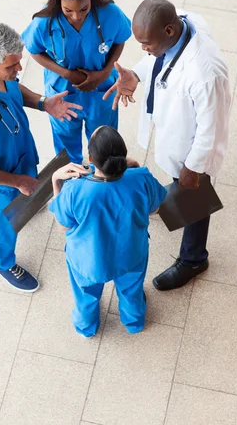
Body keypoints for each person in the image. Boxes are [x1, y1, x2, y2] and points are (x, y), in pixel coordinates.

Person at [103, 0, 231, 291]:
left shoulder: (204, 72)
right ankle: (175, 203)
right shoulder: (179, 24)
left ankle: (194, 259)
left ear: (170, 31)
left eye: (147, 43)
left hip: (193, 149)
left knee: (195, 195)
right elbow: (158, 59)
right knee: (181, 186)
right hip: (175, 131)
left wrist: (193, 167)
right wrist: (136, 74)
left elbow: (211, 128)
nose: (144, 49)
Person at [0, 24, 82, 292]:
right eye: (11, 66)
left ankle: (23, 201)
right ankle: (1, 262)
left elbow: (13, 87)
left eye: (18, 62)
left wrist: (42, 102)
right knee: (1, 226)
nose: (19, 70)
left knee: (25, 192)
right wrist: (15, 182)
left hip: (17, 155)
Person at [49, 126, 166, 337]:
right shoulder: (141, 178)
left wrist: (56, 180)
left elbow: (63, 225)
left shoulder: (74, 190)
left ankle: (86, 327)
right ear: (123, 154)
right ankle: (134, 323)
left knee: (86, 296)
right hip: (131, 254)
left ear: (90, 159)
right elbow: (155, 209)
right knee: (132, 292)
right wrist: (136, 167)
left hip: (88, 261)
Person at [21, 0, 131, 164]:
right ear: (59, 1)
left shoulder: (110, 14)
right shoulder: (44, 23)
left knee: (104, 145)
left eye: (84, 9)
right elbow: (34, 50)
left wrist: (105, 73)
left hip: (101, 92)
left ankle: (102, 178)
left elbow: (120, 39)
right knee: (65, 148)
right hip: (62, 93)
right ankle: (72, 180)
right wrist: (66, 73)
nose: (76, 17)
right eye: (68, 10)